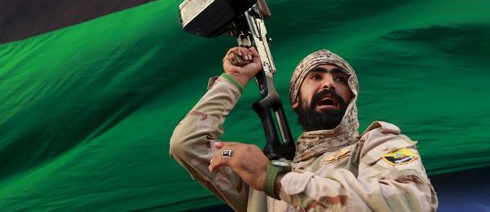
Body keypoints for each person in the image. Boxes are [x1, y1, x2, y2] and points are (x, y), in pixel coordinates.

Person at [170, 47, 438, 211]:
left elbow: (409, 203)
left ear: (353, 95)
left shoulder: (376, 146)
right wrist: (234, 80)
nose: (329, 84)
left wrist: (277, 180)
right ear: (295, 99)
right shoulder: (263, 177)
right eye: (316, 76)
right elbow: (188, 144)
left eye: (340, 79)